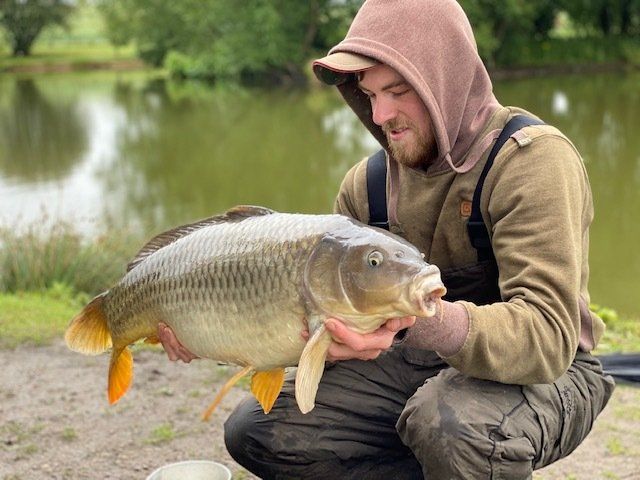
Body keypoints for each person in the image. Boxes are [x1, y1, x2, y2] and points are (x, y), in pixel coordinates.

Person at [159, 0, 615, 478]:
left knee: (448, 425)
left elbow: (548, 336)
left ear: (446, 78)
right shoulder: (367, 184)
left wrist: (420, 317)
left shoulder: (531, 163)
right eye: (370, 94)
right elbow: (324, 332)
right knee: (257, 431)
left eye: (398, 91)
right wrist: (215, 334)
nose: (381, 114)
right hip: (415, 364)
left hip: (548, 373)